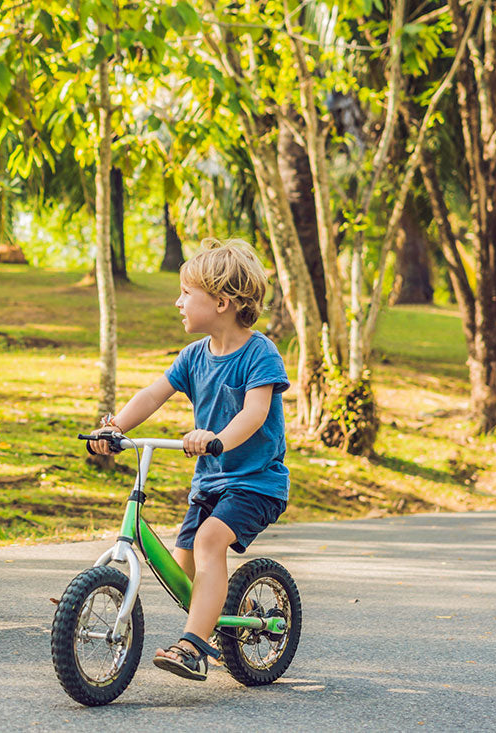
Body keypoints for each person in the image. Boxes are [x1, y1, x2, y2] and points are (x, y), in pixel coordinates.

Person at [88, 239, 289, 681]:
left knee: (208, 544)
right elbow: (153, 394)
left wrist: (216, 438)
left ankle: (195, 647)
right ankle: (232, 612)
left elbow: (255, 414)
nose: (177, 301)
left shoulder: (259, 354)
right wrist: (116, 427)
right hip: (212, 484)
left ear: (221, 302)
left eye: (185, 293)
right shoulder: (192, 356)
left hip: (256, 483)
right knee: (183, 573)